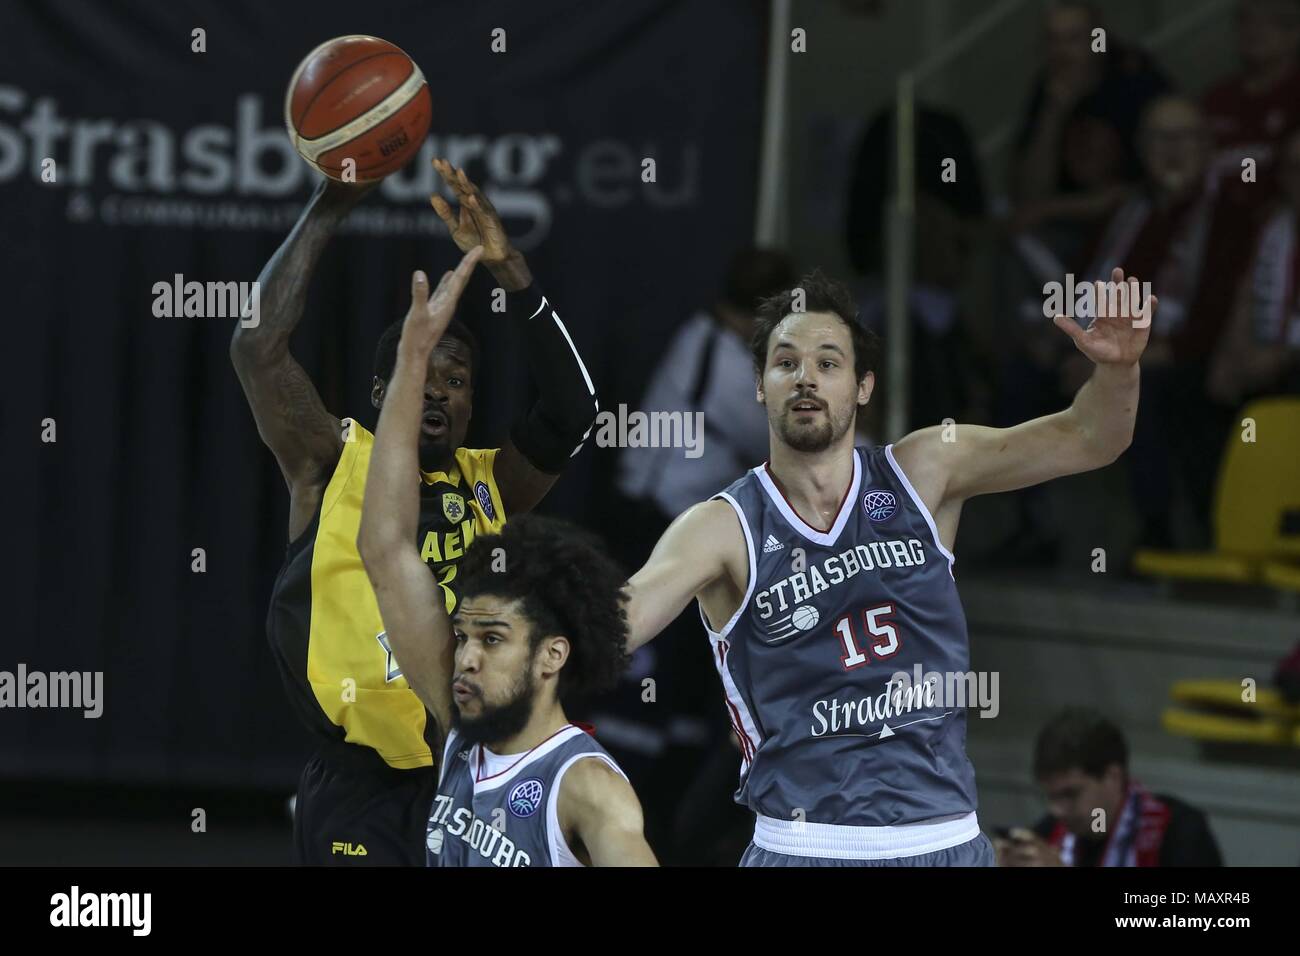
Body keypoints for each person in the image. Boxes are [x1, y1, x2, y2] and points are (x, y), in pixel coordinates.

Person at [621, 266, 1155, 866]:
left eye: (828, 363)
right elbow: (618, 619)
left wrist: (1118, 369)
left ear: (863, 386)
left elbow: (1090, 436)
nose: (806, 379)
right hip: (806, 845)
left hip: (944, 842)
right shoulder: (722, 526)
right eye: (786, 363)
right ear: (760, 386)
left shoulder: (925, 470)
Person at [229, 159, 597, 865]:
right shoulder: (332, 459)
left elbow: (574, 412)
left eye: (456, 381)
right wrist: (332, 204)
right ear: (382, 388)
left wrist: (511, 268)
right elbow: (255, 346)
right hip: (361, 785)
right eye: (421, 369)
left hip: (473, 772)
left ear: (468, 403)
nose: (437, 390)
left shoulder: (493, 483)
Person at [356, 255, 655, 866]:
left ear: (551, 655)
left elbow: (571, 409)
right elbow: (386, 549)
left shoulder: (588, 789)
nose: (463, 657)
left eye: (492, 640)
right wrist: (411, 365)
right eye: (464, 634)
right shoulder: (461, 725)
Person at [996, 707, 1223, 867]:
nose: (1057, 810)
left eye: (1070, 794)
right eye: (1051, 796)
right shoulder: (1048, 833)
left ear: (1112, 777)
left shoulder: (1180, 832)